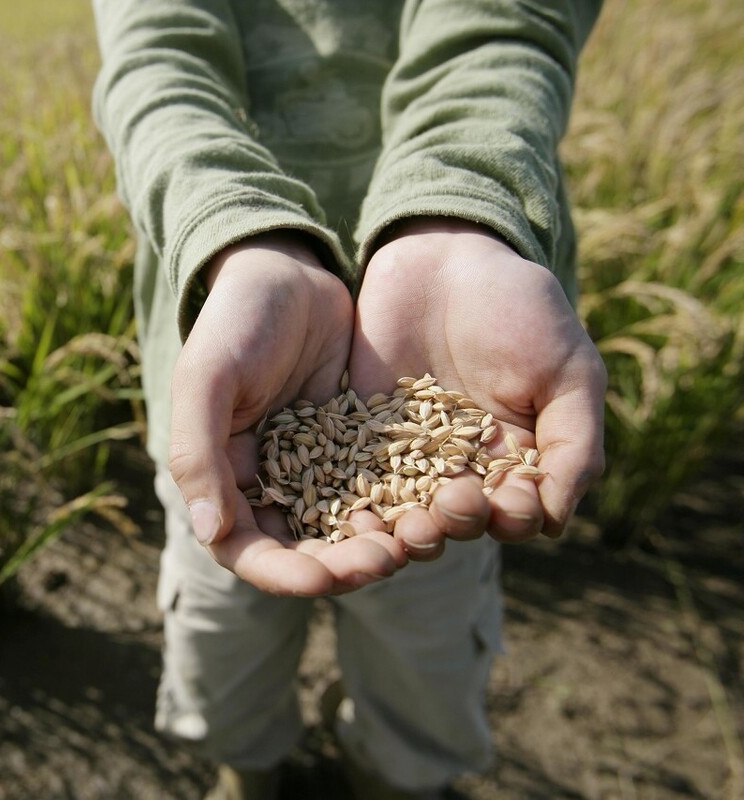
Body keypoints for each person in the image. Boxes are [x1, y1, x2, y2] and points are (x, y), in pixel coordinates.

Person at [90, 2, 608, 798]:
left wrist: (457, 209)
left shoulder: (444, 432)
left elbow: (502, 27)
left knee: (424, 669)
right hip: (225, 380)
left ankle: (397, 776)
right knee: (220, 646)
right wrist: (237, 235)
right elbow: (159, 69)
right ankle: (246, 766)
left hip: (459, 356)